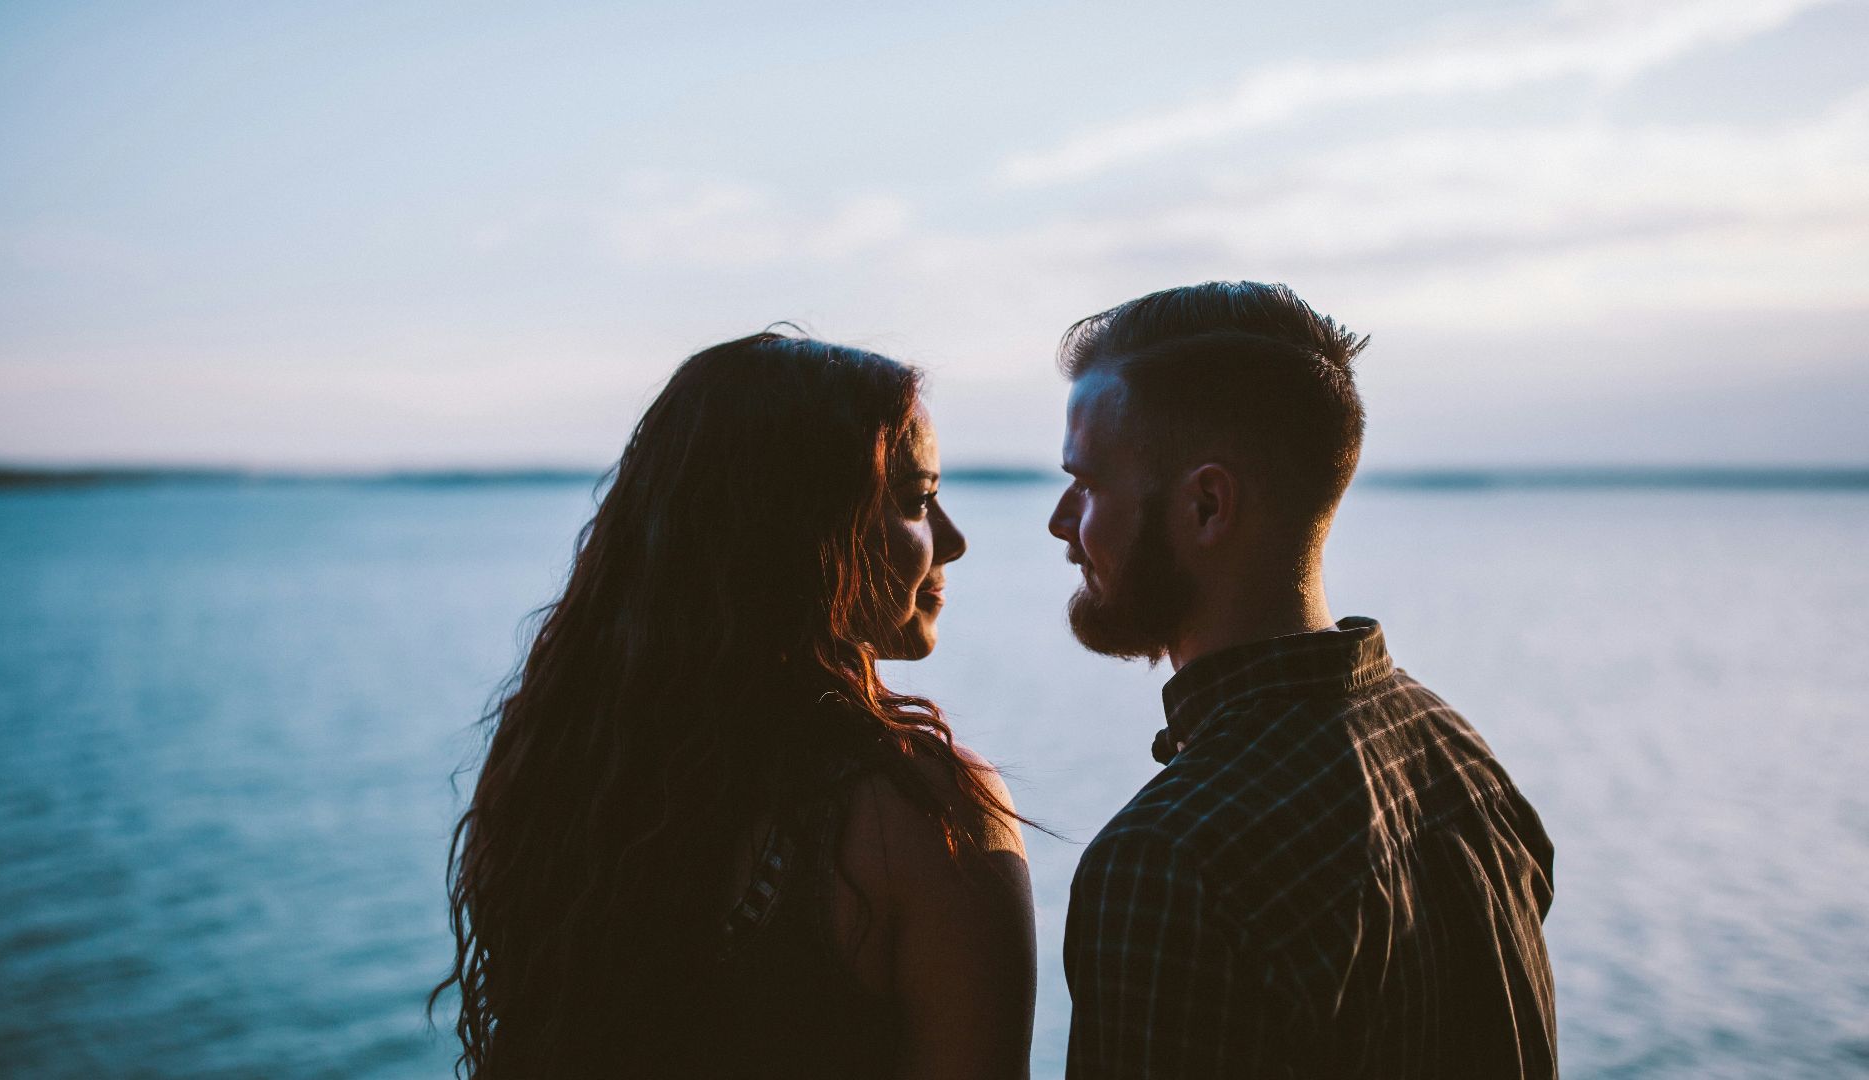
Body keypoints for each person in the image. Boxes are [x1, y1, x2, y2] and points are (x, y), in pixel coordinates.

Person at [434, 332, 1036, 1079]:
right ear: (805, 529)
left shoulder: (554, 772)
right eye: (917, 501)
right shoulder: (927, 819)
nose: (953, 540)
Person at [1049, 282, 1557, 1078]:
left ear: (1208, 506)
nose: (1059, 521)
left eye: (1087, 484)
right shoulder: (1459, 754)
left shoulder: (1170, 859)